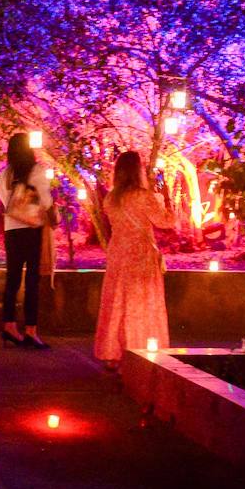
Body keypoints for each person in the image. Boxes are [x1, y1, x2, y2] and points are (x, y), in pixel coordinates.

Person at [94, 151, 177, 370]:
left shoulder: (111, 198)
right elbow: (166, 222)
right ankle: (140, 350)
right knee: (140, 304)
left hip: (118, 253)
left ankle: (113, 353)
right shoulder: (143, 196)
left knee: (118, 302)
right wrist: (167, 198)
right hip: (140, 254)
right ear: (137, 170)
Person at [0, 132, 53, 349]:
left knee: (12, 279)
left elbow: (5, 204)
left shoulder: (4, 176)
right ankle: (31, 330)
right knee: (31, 282)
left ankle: (9, 326)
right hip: (31, 229)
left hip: (11, 230)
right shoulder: (36, 171)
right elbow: (46, 202)